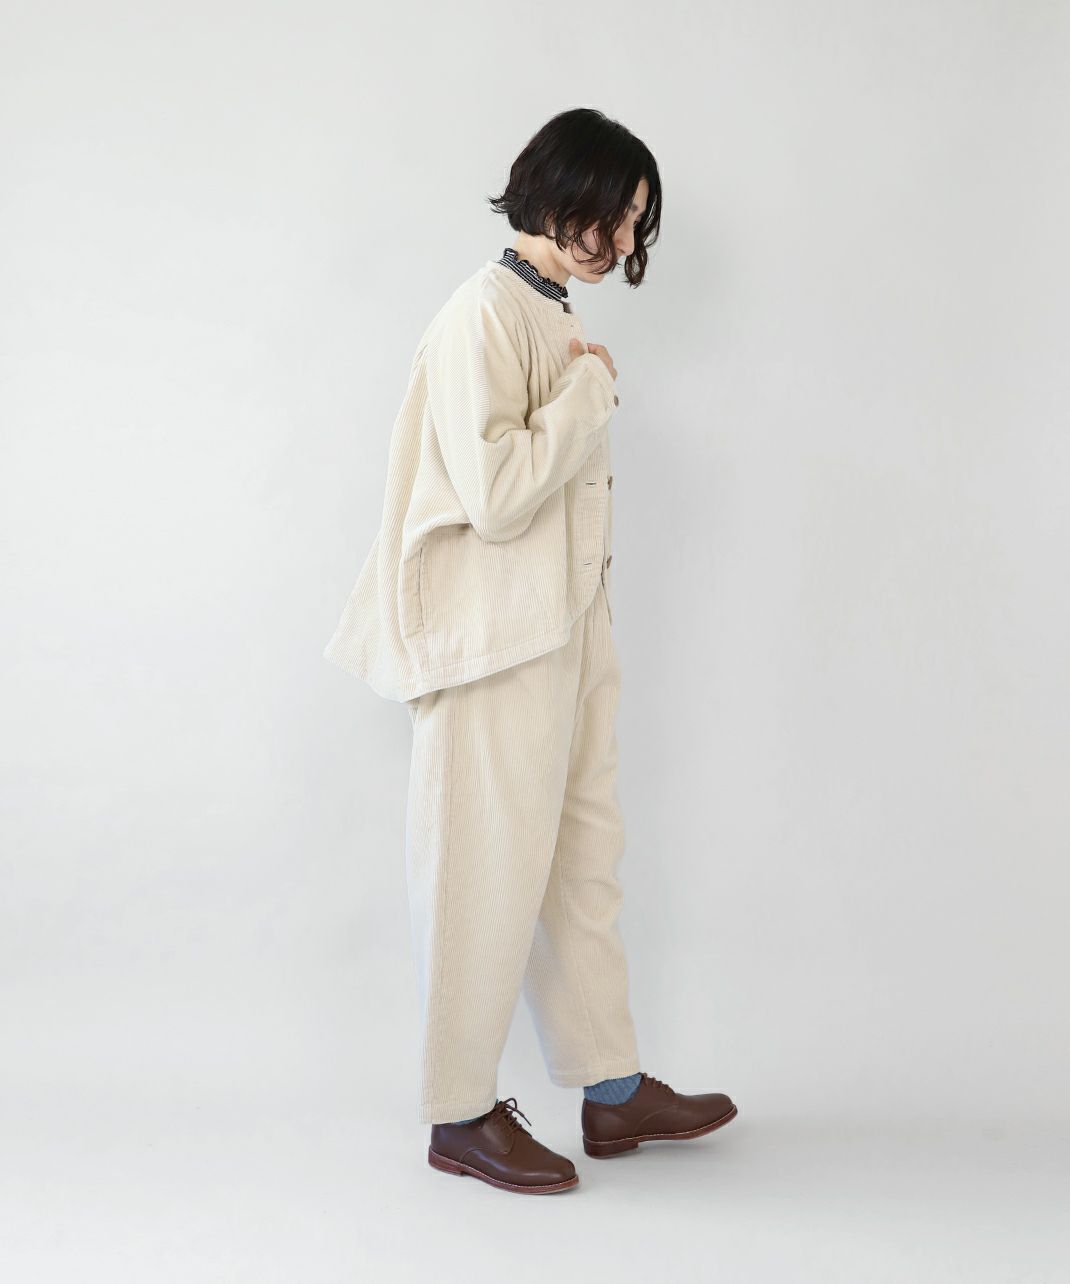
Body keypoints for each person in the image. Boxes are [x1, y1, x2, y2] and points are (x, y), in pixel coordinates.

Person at [324, 107, 737, 1195]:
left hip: (565, 632)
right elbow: (497, 492)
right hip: (495, 646)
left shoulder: (545, 310)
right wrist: (591, 392)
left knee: (581, 862)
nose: (624, 242)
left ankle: (612, 1088)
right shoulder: (482, 313)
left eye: (637, 223)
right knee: (480, 872)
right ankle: (458, 1111)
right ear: (558, 195)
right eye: (615, 216)